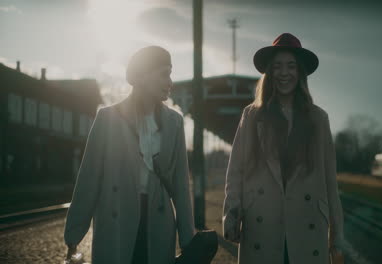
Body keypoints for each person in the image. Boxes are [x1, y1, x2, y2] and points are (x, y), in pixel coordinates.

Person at [64, 46, 195, 264]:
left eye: (170, 74)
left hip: (158, 223)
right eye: (164, 74)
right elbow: (89, 179)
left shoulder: (175, 122)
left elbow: (180, 184)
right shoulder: (107, 118)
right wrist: (73, 236)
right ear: (142, 76)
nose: (170, 82)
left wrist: (188, 240)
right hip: (116, 222)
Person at [222, 33, 345, 264]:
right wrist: (231, 213)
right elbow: (236, 169)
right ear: (269, 72)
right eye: (277, 66)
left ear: (300, 72)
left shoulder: (318, 119)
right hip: (262, 221)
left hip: (307, 223)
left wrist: (337, 237)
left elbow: (330, 181)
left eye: (291, 66)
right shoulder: (252, 116)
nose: (284, 73)